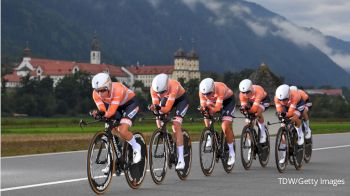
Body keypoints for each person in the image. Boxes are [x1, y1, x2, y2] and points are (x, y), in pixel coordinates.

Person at [91, 72, 141, 164]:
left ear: (109, 87)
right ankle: (113, 161)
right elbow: (102, 109)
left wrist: (102, 114)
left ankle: (136, 146)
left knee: (122, 130)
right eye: (98, 90)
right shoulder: (95, 94)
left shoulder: (118, 89)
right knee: (111, 129)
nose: (100, 94)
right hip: (116, 106)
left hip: (130, 104)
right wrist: (98, 113)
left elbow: (111, 112)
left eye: (103, 90)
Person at [149, 73, 189, 170]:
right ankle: (167, 137)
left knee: (176, 125)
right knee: (159, 120)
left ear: (166, 87)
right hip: (168, 98)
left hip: (181, 100)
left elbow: (166, 109)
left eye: (162, 92)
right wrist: (154, 108)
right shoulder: (153, 89)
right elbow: (156, 106)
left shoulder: (173, 86)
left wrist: (158, 107)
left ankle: (181, 159)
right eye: (157, 92)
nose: (159, 95)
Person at [199, 78, 236, 166]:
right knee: (206, 112)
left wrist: (211, 109)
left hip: (228, 102)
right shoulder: (202, 91)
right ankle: (209, 135)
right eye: (205, 94)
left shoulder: (220, 88)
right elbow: (204, 105)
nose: (206, 96)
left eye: (208, 93)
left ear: (213, 89)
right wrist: (204, 109)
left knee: (225, 126)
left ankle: (231, 152)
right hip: (214, 101)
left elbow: (217, 108)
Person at [274, 84, 306, 163]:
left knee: (294, 117)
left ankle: (300, 133)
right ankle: (284, 156)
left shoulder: (294, 96)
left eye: (284, 99)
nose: (282, 102)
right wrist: (280, 115)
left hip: (298, 105)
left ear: (289, 95)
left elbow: (291, 113)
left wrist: (286, 115)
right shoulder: (277, 98)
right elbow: (279, 110)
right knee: (283, 124)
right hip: (288, 106)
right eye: (280, 100)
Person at [239, 79, 270, 144]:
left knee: (257, 112)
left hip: (263, 100)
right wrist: (243, 110)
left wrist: (249, 112)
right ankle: (251, 146)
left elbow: (254, 108)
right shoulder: (241, 94)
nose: (245, 94)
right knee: (248, 123)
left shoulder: (258, 90)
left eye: (247, 92)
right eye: (243, 92)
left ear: (251, 89)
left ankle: (263, 132)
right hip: (252, 102)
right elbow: (244, 106)